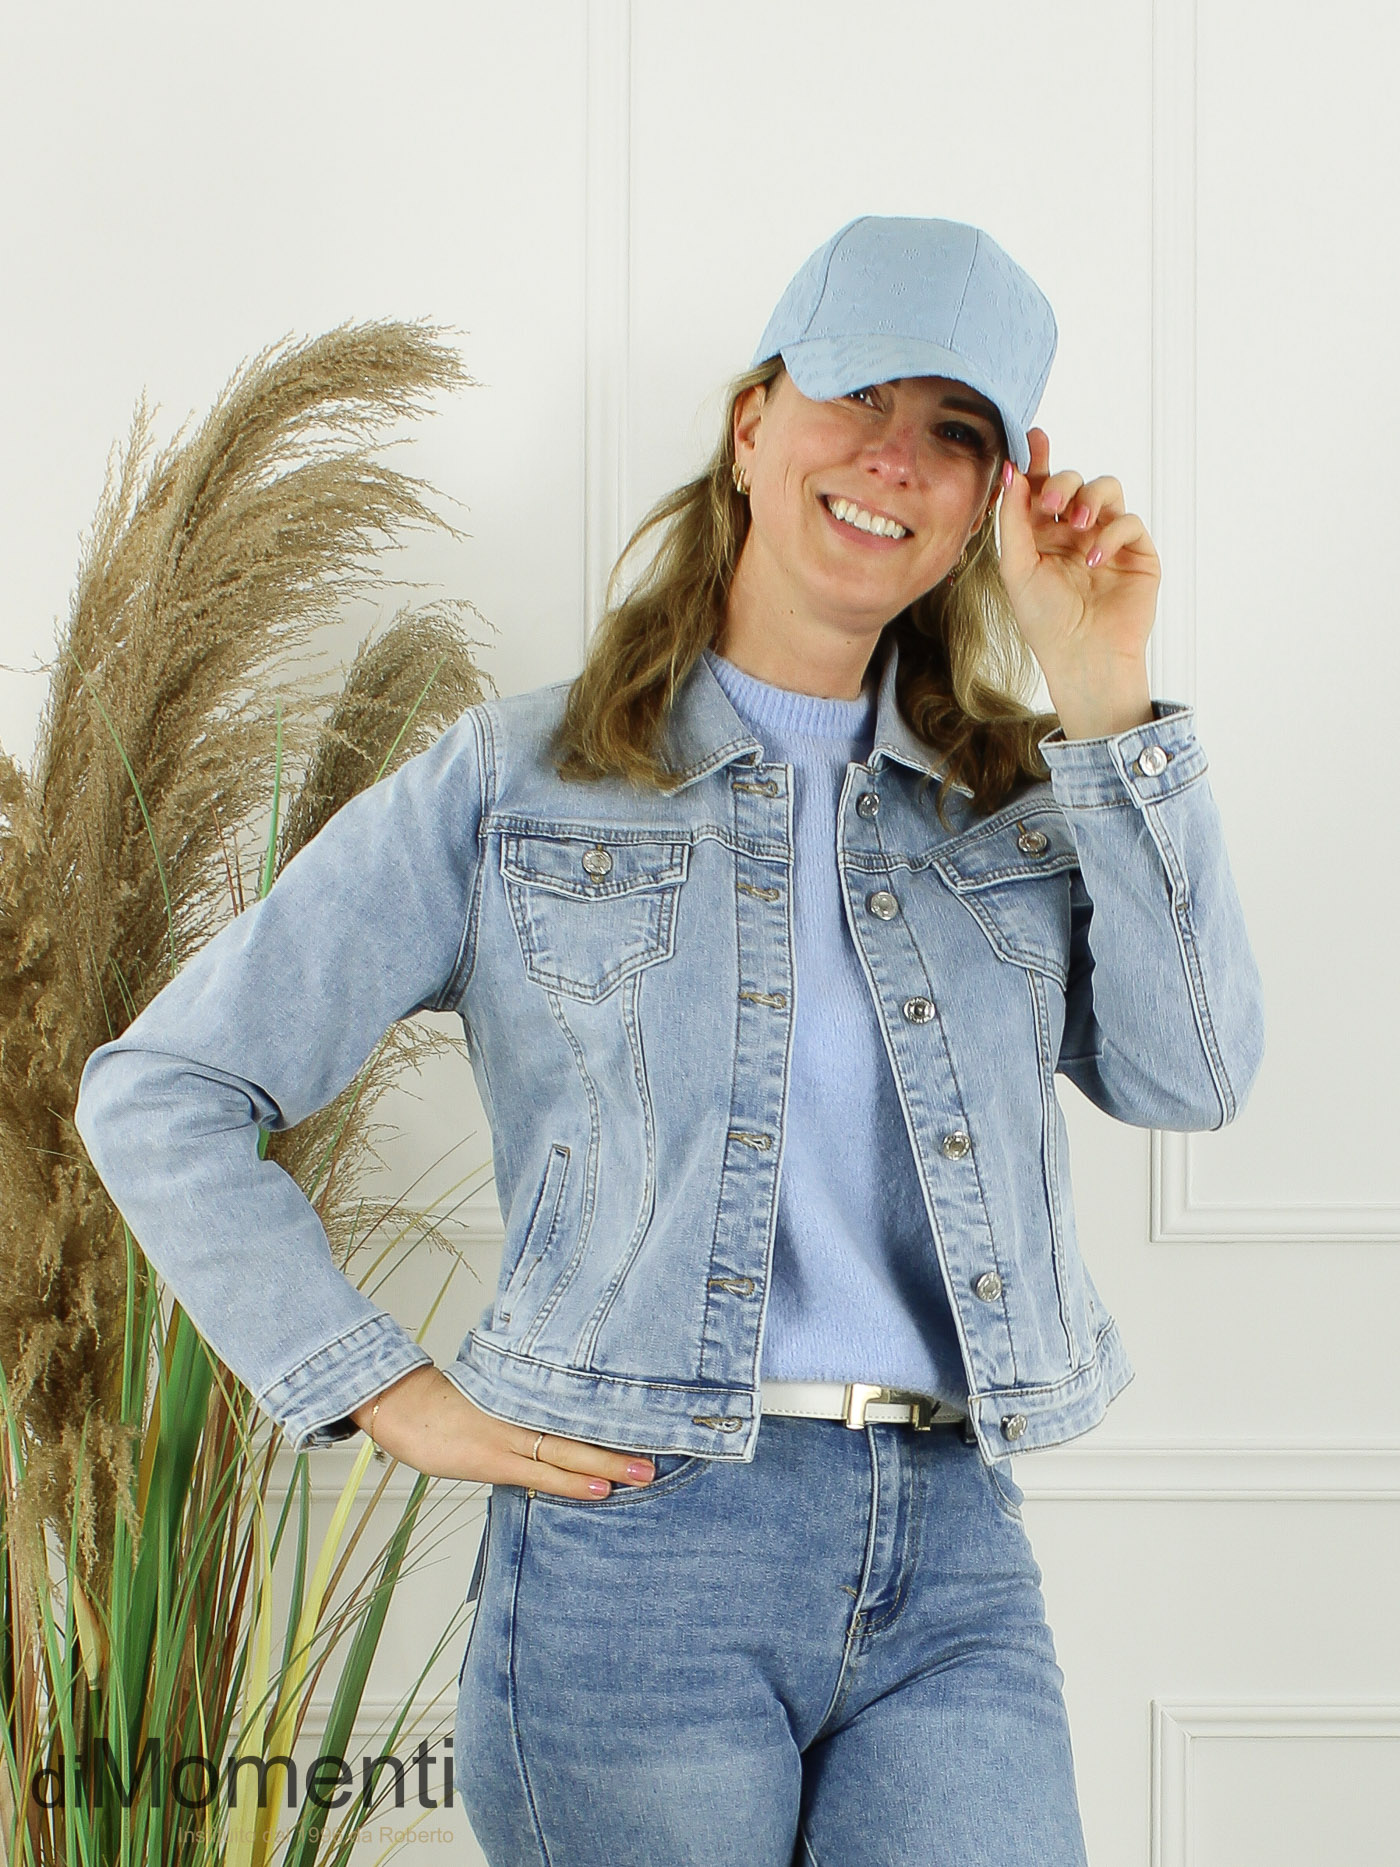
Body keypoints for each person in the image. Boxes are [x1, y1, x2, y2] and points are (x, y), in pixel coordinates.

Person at [75, 214, 1264, 1866]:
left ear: (990, 502)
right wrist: (380, 1390)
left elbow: (1190, 1076)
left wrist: (1106, 695)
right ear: (753, 424)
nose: (893, 459)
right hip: (640, 1553)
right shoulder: (516, 782)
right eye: (859, 397)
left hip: (955, 1554)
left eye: (954, 433)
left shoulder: (1012, 805)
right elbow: (164, 1088)